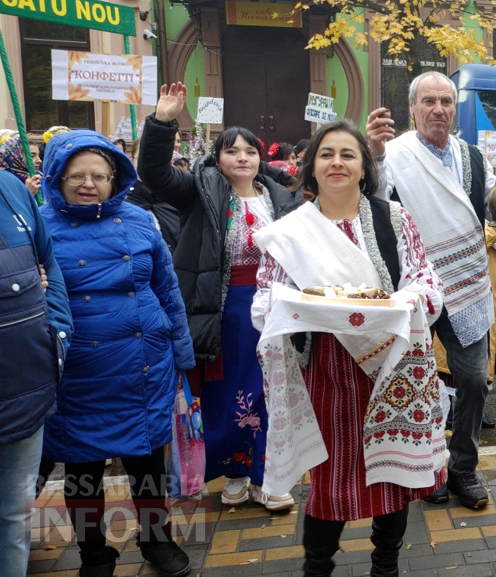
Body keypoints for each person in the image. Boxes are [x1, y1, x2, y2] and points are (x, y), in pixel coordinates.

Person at [251, 119, 445, 577]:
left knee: (393, 475)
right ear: (310, 167)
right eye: (326, 154)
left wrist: (404, 302)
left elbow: (425, 279)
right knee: (330, 480)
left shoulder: (393, 218)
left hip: (394, 364)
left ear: (364, 168)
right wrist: (297, 309)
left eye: (348, 154)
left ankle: (386, 566)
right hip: (327, 371)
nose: (337, 162)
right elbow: (266, 296)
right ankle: (317, 566)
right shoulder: (290, 231)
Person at [139, 82, 302, 510]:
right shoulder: (199, 189)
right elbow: (154, 174)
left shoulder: (280, 196)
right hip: (222, 311)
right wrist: (161, 122)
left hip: (274, 311)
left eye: (250, 151)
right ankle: (234, 472)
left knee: (271, 389)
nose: (242, 158)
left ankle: (269, 476)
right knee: (228, 391)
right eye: (232, 151)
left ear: (260, 157)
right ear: (218, 157)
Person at [39, 130, 194, 577]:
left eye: (100, 176)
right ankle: (94, 553)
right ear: (56, 176)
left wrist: (182, 354)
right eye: (77, 176)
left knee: (148, 465)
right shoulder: (39, 224)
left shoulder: (141, 220)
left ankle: (156, 540)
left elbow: (167, 289)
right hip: (75, 373)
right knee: (82, 473)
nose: (89, 184)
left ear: (115, 178)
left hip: (143, 365)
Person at [364, 71, 496, 509]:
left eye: (446, 101)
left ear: (454, 109)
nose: (438, 109)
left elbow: (491, 203)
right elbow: (375, 202)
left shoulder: (474, 157)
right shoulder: (395, 154)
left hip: (467, 283)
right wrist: (375, 154)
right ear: (413, 108)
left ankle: (463, 468)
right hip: (415, 285)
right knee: (418, 384)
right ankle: (428, 470)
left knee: (475, 381)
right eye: (429, 101)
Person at [0, 159, 71, 577]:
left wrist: (56, 336)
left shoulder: (10, 188)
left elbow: (50, 264)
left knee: (14, 517)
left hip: (28, 387)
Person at [1, 134, 44, 203]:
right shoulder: (4, 182)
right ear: (16, 157)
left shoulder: (40, 177)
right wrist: (28, 194)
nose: (39, 161)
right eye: (32, 156)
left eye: (38, 155)